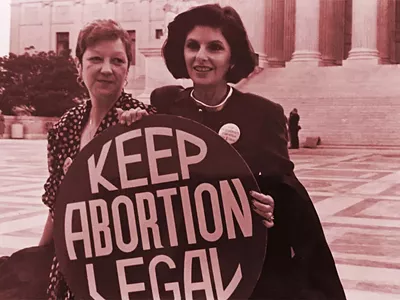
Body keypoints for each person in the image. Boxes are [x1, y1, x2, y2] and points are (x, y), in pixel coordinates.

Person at [145, 4, 346, 299]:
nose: (201, 57)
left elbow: (285, 188)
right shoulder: (164, 105)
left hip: (247, 265)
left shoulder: (264, 113)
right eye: (192, 46)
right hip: (185, 267)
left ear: (232, 57)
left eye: (214, 47)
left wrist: (271, 204)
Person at [0, 19, 154, 299]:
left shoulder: (142, 122)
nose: (107, 69)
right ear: (79, 66)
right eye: (96, 59)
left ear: (127, 70)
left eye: (117, 61)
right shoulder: (66, 126)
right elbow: (57, 205)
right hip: (69, 264)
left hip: (123, 271)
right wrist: (40, 257)